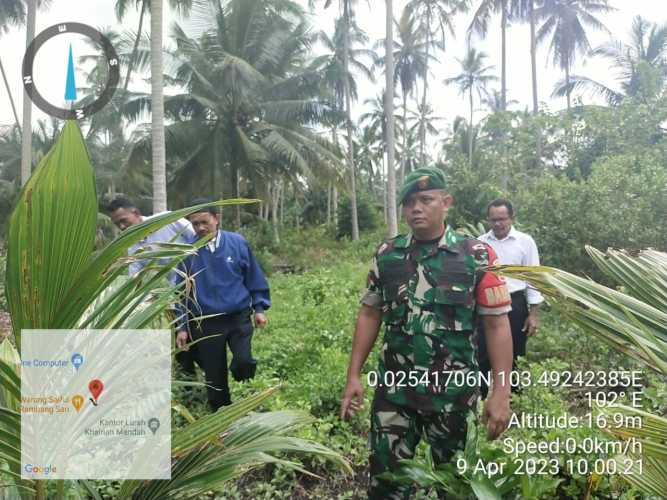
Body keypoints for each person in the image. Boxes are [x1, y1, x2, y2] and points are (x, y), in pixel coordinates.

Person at [339, 167, 514, 500]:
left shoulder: (476, 256)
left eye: (426, 200)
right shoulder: (388, 254)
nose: (415, 208)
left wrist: (500, 391)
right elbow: (369, 312)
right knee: (386, 484)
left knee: (458, 487)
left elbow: (497, 324)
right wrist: (354, 375)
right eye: (409, 202)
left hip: (454, 397)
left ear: (446, 202)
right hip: (395, 393)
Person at [175, 200, 270, 411]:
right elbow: (181, 292)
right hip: (205, 323)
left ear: (216, 219)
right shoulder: (187, 252)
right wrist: (182, 326)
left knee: (244, 362)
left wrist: (260, 308)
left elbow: (253, 276)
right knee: (215, 377)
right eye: (195, 224)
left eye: (204, 222)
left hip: (238, 317)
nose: (200, 228)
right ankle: (222, 419)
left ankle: (242, 376)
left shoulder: (237, 243)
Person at [108, 196, 197, 375]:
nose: (122, 227)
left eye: (124, 221)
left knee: (202, 330)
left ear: (136, 213)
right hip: (175, 293)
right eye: (118, 224)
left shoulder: (168, 220)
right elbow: (136, 276)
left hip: (199, 282)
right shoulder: (133, 245)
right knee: (181, 340)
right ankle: (189, 383)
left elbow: (197, 237)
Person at [477, 198, 544, 397]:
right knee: (481, 354)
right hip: (485, 304)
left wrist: (533, 314)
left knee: (514, 354)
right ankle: (479, 399)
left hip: (515, 303)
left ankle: (513, 400)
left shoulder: (525, 242)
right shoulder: (480, 243)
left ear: (511, 218)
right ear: (488, 220)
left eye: (502, 219)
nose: (498, 224)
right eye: (493, 220)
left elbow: (534, 278)